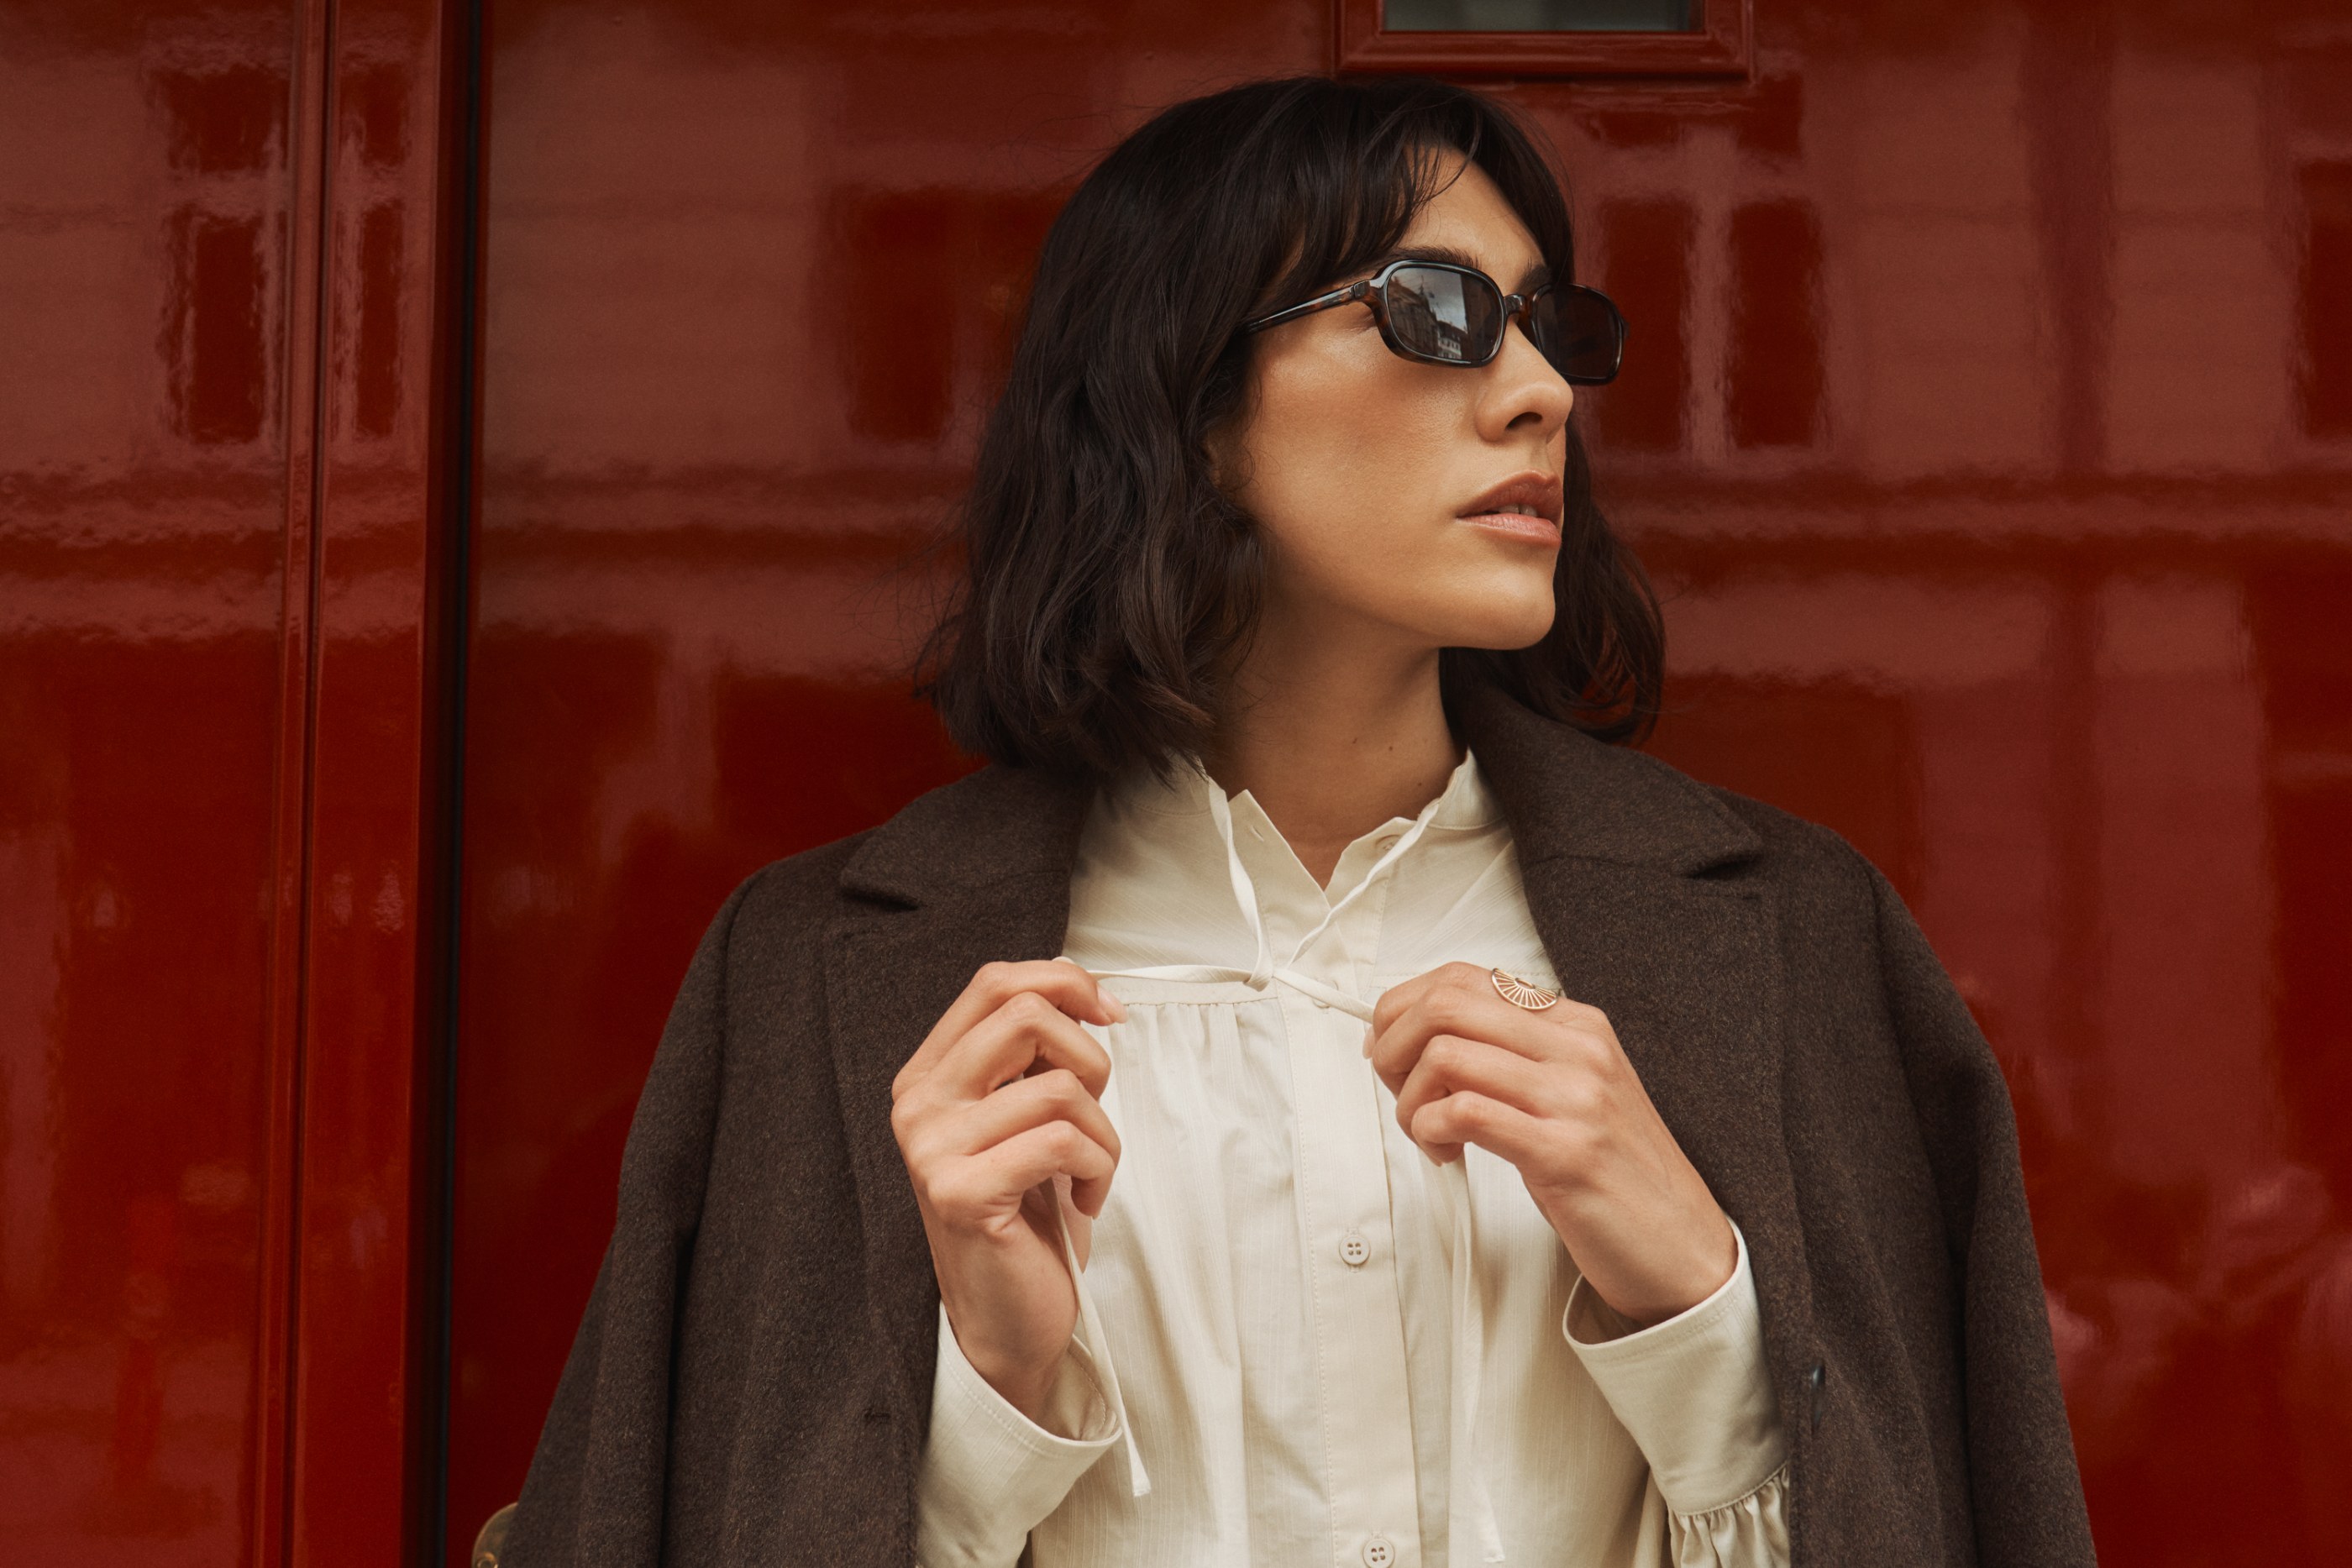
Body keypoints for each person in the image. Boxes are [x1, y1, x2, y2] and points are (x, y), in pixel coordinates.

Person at [502, 76, 2094, 1568]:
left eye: (1548, 326)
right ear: (1187, 403)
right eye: (1443, 312)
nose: (1542, 392)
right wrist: (982, 1392)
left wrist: (1704, 1313)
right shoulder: (806, 976)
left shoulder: (1801, 940)